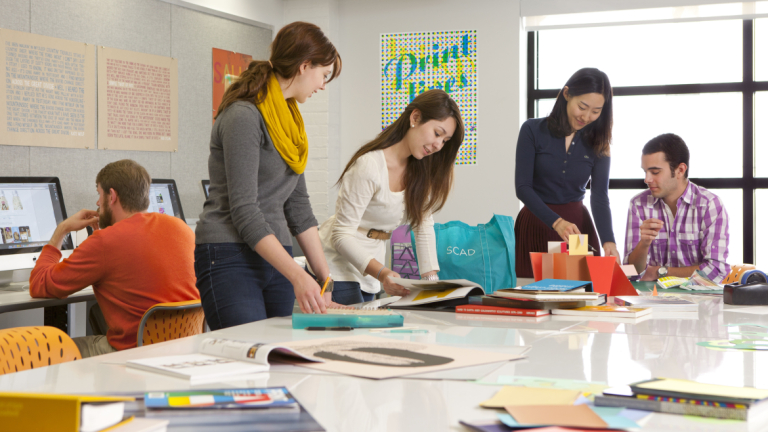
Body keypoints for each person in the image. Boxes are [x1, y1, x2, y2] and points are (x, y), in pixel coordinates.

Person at [195, 21, 343, 329]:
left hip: (276, 257)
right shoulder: (244, 115)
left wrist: (324, 278)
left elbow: (298, 208)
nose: (323, 86)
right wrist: (298, 275)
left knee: (281, 351)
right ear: (304, 66)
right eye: (324, 75)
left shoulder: (289, 122)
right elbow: (245, 210)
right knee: (250, 351)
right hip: (229, 253)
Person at [29, 160, 199, 358]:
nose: (97, 203)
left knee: (45, 350)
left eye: (99, 194)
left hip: (134, 356)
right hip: (186, 352)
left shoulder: (105, 242)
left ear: (112, 196)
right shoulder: (182, 229)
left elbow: (39, 284)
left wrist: (62, 229)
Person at [313, 89, 464, 305]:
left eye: (445, 141)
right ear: (415, 118)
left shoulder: (420, 171)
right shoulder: (369, 166)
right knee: (356, 324)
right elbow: (341, 235)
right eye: (437, 134)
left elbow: (423, 226)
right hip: (337, 262)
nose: (439, 145)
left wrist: (432, 286)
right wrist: (383, 273)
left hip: (372, 266)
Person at [514, 68, 619, 278]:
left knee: (578, 287)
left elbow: (600, 196)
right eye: (582, 107)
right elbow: (523, 187)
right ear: (567, 94)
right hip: (536, 222)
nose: (586, 117)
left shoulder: (599, 142)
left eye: (596, 111)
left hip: (576, 229)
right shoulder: (532, 130)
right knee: (530, 289)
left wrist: (609, 241)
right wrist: (556, 222)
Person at [624, 133, 730, 282]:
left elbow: (715, 270)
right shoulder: (638, 204)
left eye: (655, 172)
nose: (647, 179)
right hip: (652, 295)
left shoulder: (709, 205)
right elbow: (630, 272)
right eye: (645, 172)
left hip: (698, 296)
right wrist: (644, 243)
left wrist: (660, 272)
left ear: (680, 170)